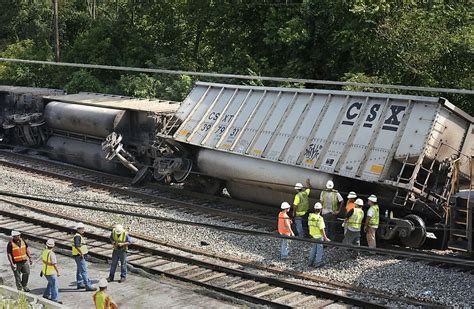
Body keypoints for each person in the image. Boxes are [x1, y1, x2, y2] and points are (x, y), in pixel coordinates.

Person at [72, 222, 96, 291]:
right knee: (84, 271)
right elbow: (77, 246)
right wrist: (81, 253)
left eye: (83, 228)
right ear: (78, 229)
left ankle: (80, 283)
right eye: (81, 229)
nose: (83, 230)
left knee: (79, 270)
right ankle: (88, 285)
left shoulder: (78, 236)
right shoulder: (77, 236)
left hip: (78, 255)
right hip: (79, 256)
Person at [308, 202, 330, 267]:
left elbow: (309, 226)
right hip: (319, 236)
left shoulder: (310, 216)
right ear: (320, 209)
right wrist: (325, 238)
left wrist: (311, 233)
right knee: (319, 250)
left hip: (313, 235)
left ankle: (310, 262)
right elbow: (322, 229)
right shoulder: (320, 218)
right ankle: (317, 263)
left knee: (314, 249)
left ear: (314, 209)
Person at [41, 239, 62, 304]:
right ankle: (55, 299)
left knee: (50, 283)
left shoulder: (44, 251)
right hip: (51, 272)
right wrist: (58, 272)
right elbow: (54, 264)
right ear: (53, 246)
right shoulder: (52, 254)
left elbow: (44, 260)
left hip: (45, 271)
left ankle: (46, 295)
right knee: (55, 285)